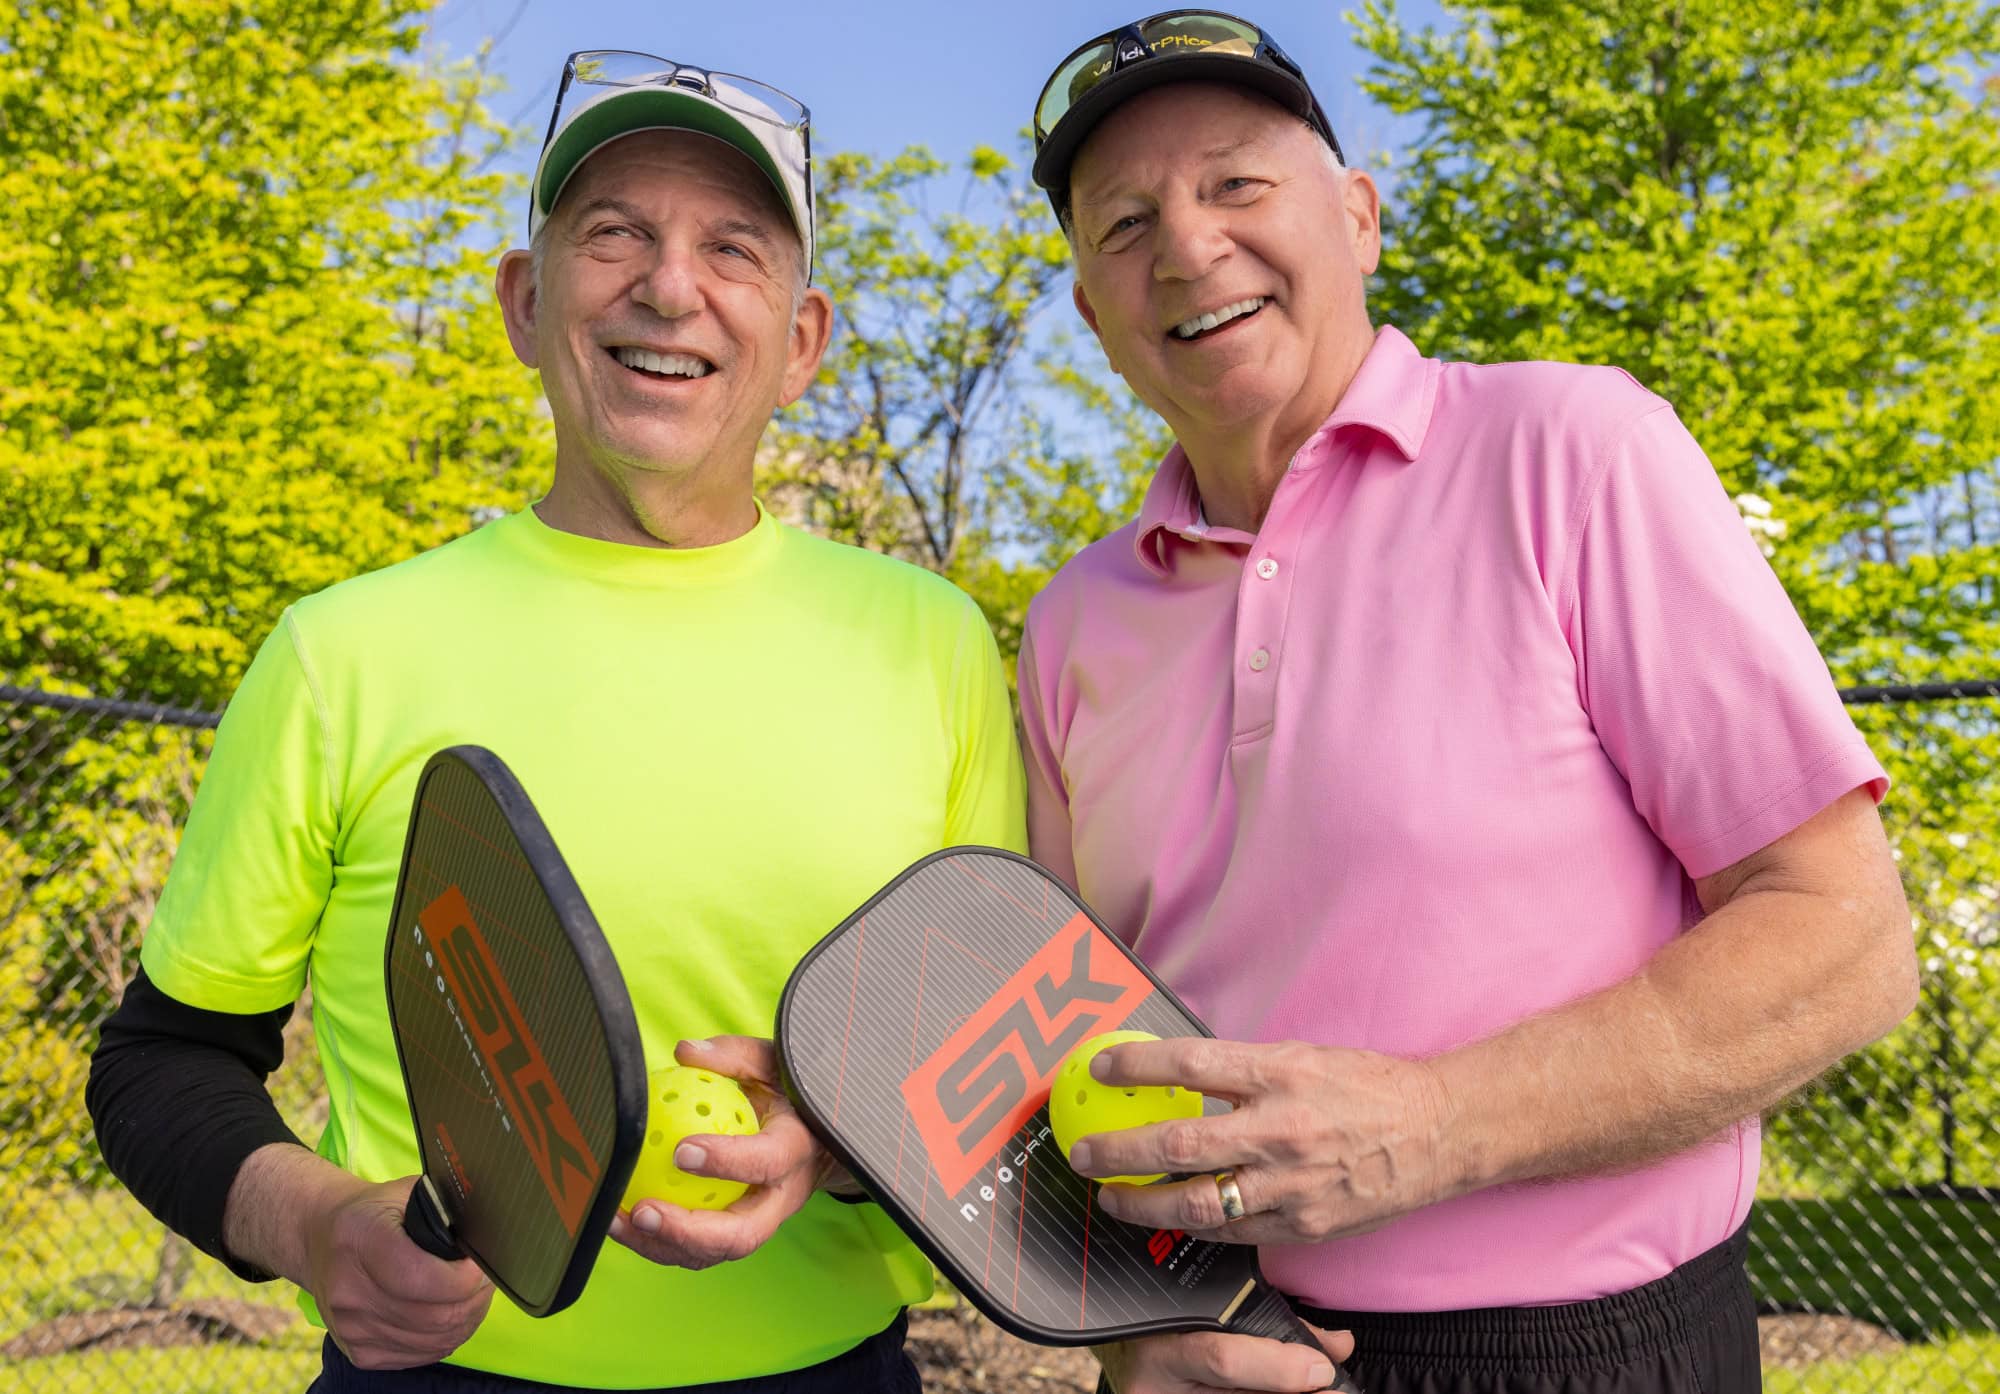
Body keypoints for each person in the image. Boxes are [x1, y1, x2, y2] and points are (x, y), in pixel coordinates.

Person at [86, 48, 1025, 1393]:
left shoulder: (930, 645)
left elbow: (984, 1071)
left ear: (803, 341)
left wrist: (833, 1134)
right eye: (614, 234)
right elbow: (164, 1059)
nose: (668, 284)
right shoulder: (342, 650)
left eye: (732, 247)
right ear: (526, 303)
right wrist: (319, 1223)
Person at [1013, 12, 1917, 1394]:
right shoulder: (1072, 625)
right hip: (1221, 1352)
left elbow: (1845, 939)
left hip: (1596, 1353)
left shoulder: (1577, 453)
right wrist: (1130, 1324)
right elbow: (1058, 1053)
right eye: (1124, 222)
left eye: (1237, 186)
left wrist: (1431, 1124)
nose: (1188, 247)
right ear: (1090, 307)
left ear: (1361, 219)